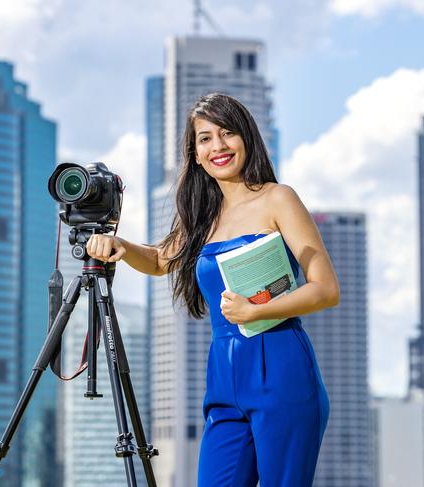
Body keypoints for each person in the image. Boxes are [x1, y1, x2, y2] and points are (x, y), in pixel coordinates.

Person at [86, 92, 338, 486]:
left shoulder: (278, 198)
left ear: (247, 139)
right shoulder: (203, 217)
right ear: (195, 153)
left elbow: (325, 289)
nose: (217, 146)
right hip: (224, 375)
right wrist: (121, 247)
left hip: (282, 369)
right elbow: (157, 260)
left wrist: (256, 312)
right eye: (205, 138)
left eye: (227, 133)